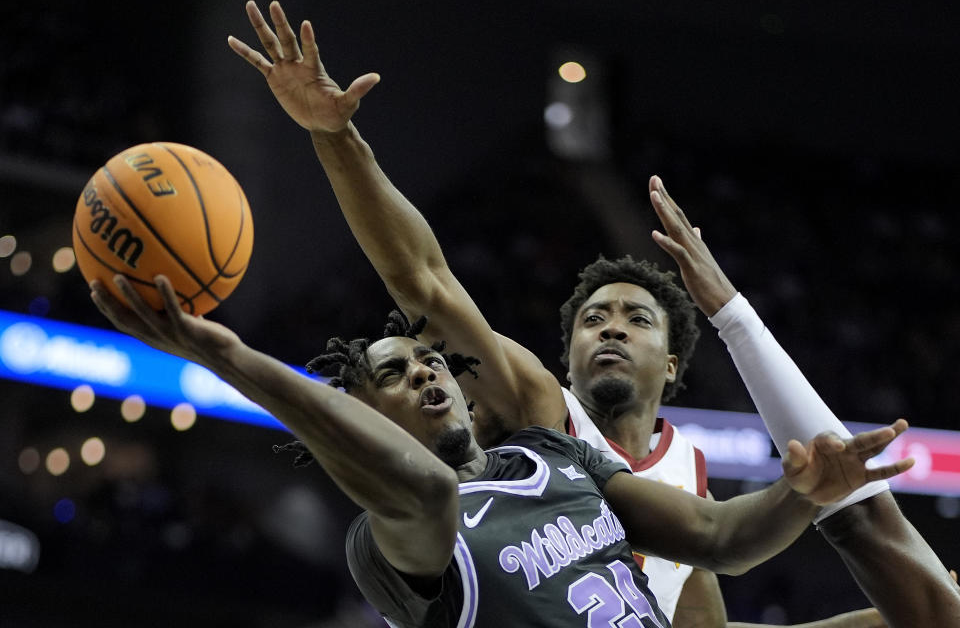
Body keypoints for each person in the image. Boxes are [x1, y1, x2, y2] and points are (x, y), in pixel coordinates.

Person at [226, 0, 960, 627]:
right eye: (593, 318)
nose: (610, 326)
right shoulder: (537, 417)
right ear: (566, 353)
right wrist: (334, 134)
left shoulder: (686, 480)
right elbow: (422, 280)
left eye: (636, 320)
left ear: (673, 364)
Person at [89, 272, 908, 628]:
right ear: (359, 416)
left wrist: (804, 493)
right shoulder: (392, 541)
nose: (426, 372)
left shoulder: (554, 457)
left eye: (429, 360)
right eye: (394, 377)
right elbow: (420, 491)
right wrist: (232, 359)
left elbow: (722, 540)